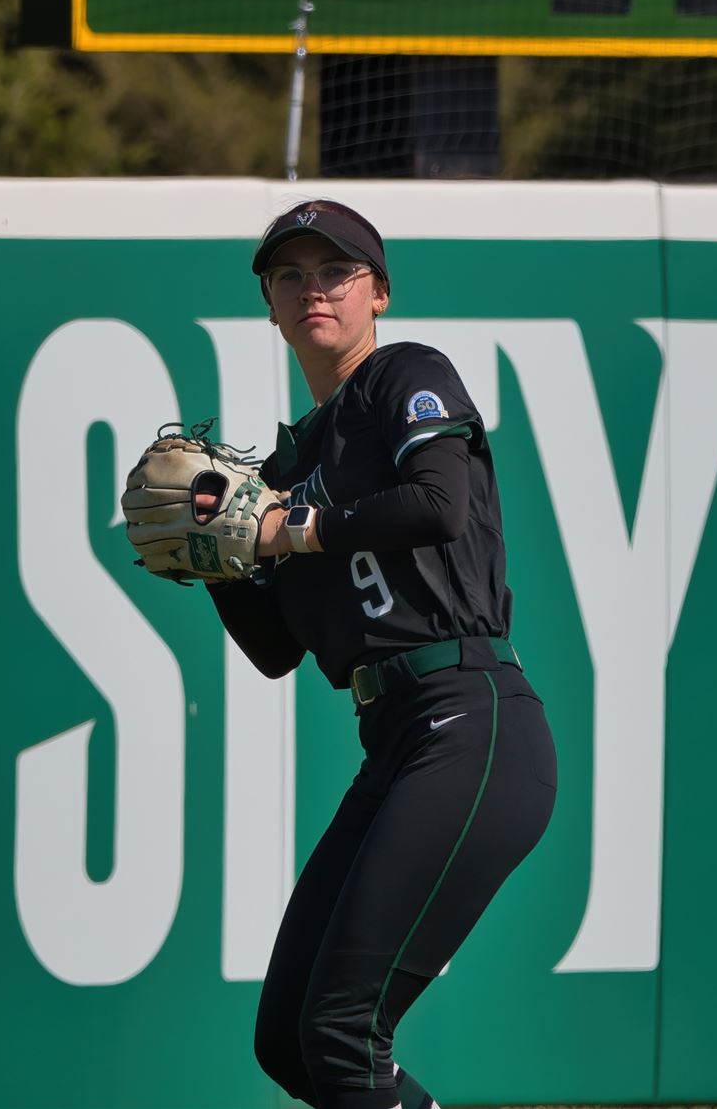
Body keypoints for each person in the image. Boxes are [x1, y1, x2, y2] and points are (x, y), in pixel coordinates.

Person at [208, 200, 557, 1109]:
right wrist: (213, 560)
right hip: (395, 741)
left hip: (471, 719)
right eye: (291, 275)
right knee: (289, 1038)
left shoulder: (406, 374)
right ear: (271, 307)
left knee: (340, 1028)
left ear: (380, 293)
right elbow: (276, 649)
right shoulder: (284, 469)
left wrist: (297, 532)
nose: (313, 287)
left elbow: (437, 502)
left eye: (336, 270)